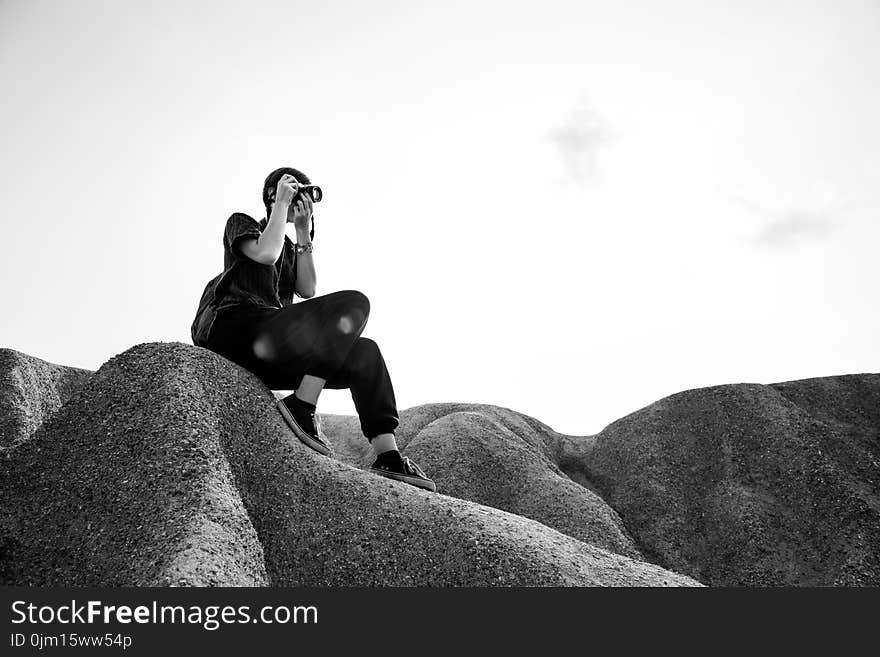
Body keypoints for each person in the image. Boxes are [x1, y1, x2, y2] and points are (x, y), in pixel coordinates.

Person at [191, 166, 436, 492]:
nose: (298, 198)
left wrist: (304, 231)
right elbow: (265, 253)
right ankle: (302, 404)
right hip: (238, 328)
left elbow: (307, 289)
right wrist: (280, 204)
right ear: (272, 194)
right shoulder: (243, 223)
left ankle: (387, 454)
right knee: (355, 302)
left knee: (366, 350)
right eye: (293, 189)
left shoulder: (290, 249)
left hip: (271, 349)